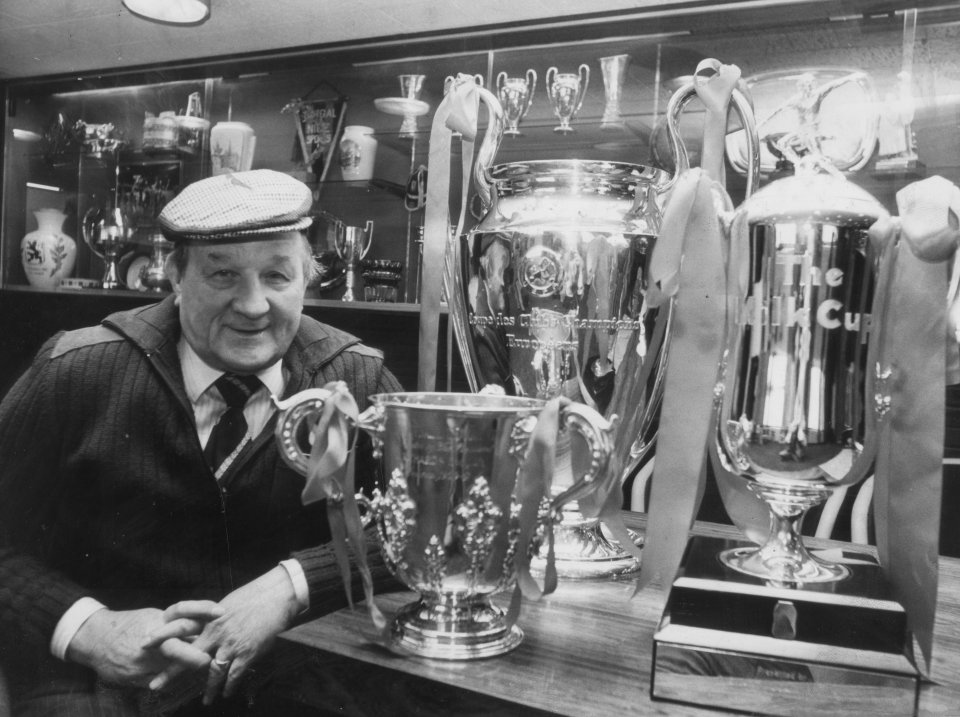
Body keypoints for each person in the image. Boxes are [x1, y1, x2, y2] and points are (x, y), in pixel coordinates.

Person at [0, 169, 403, 716]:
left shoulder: (359, 379)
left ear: (308, 278)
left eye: (278, 276)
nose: (254, 304)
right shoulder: (75, 370)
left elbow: (434, 531)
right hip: (98, 693)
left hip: (293, 692)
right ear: (174, 275)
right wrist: (88, 628)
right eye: (223, 276)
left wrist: (292, 587)